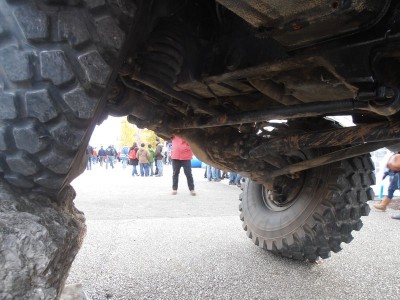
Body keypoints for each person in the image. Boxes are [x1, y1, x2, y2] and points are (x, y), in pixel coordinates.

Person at [374, 153, 400, 220]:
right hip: (396, 174)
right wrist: (385, 174)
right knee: (390, 190)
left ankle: (383, 205)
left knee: (391, 189)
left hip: (397, 175)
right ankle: (383, 205)